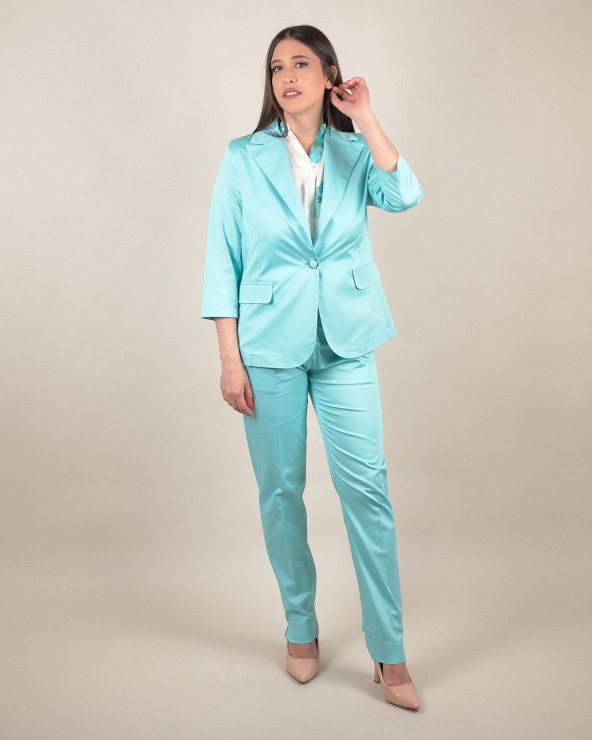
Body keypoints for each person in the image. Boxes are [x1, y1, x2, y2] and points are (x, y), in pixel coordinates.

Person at [200, 24, 423, 710]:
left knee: (368, 493)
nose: (287, 76)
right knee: (280, 493)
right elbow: (222, 261)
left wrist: (366, 117)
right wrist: (229, 359)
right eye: (277, 67)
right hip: (268, 344)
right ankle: (301, 627)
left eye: (301, 64)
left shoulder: (354, 151)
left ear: (330, 75)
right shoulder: (243, 158)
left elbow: (406, 193)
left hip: (346, 339)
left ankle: (389, 650)